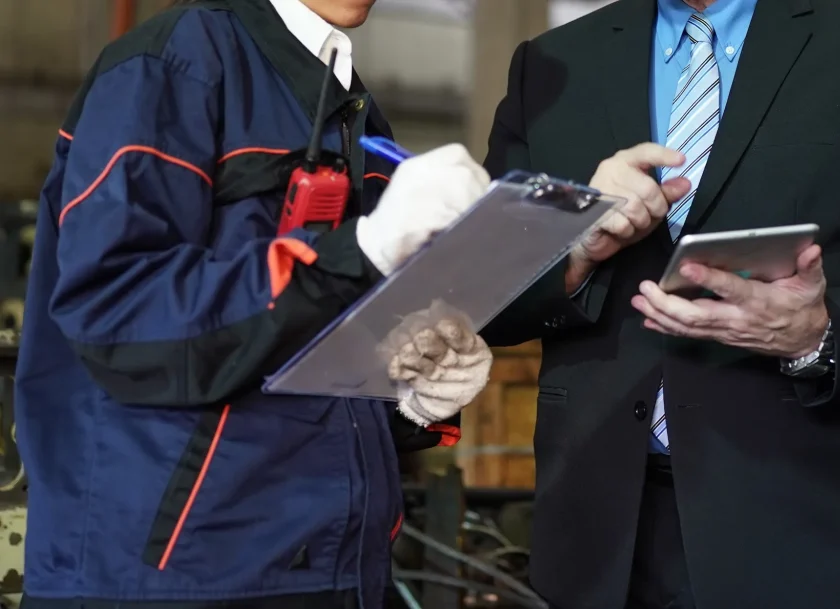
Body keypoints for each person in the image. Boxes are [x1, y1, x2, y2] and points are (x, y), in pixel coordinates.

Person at [481, 0, 840, 608]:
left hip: (791, 532)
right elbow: (482, 295)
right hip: (590, 543)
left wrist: (820, 333)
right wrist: (576, 253)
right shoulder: (550, 64)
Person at [14, 0, 495, 607]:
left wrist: (407, 400)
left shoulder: (352, 108)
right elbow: (118, 316)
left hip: (333, 566)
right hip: (176, 576)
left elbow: (310, 343)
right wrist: (359, 249)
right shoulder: (171, 66)